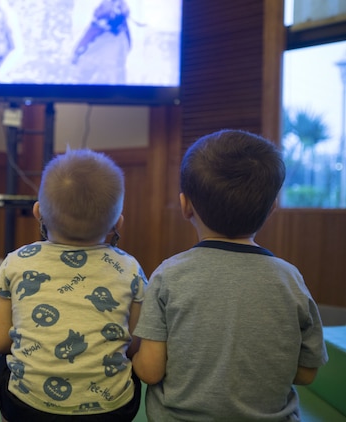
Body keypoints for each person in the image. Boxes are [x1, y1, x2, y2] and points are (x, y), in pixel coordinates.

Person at [132, 129, 329, 421]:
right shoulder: (290, 279)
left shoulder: (169, 275)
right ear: (272, 206)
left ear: (185, 206)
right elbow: (307, 372)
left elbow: (150, 371)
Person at [0, 148, 147, 421]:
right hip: (113, 411)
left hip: (27, 408)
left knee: (8, 355)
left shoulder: (16, 262)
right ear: (117, 224)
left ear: (38, 213)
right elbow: (134, 345)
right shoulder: (130, 268)